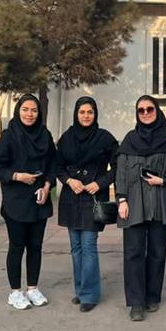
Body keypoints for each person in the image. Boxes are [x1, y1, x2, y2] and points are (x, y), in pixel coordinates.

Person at [116, 96, 166, 321]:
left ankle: (152, 296)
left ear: (157, 110)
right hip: (134, 203)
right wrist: (121, 200)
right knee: (133, 252)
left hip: (160, 202)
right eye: (141, 110)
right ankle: (136, 303)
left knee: (157, 252)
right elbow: (121, 172)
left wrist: (164, 179)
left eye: (149, 109)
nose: (145, 113)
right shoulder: (130, 139)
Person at [0, 94, 56, 310]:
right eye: (25, 109)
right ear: (18, 111)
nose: (29, 114)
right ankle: (15, 292)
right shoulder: (10, 136)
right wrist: (18, 176)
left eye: (34, 110)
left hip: (39, 199)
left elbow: (52, 165)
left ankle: (33, 288)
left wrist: (47, 187)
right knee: (17, 246)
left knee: (35, 246)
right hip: (16, 200)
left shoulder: (45, 135)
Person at [56, 96, 118, 313]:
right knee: (76, 248)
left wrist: (99, 183)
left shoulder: (105, 138)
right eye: (82, 112)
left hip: (92, 197)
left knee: (89, 245)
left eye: (90, 112)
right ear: (76, 114)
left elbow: (117, 166)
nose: (86, 116)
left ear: (95, 114)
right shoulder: (66, 138)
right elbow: (57, 166)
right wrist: (68, 180)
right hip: (71, 198)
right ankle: (81, 290)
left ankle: (90, 295)